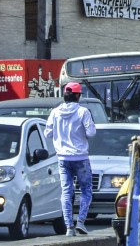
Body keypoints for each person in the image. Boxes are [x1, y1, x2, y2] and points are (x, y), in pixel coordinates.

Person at [45, 82, 97, 236]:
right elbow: (92, 133)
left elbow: (47, 134)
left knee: (66, 192)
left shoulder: (55, 112)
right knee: (86, 190)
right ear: (78, 95)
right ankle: (81, 221)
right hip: (80, 157)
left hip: (62, 158)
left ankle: (69, 227)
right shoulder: (83, 112)